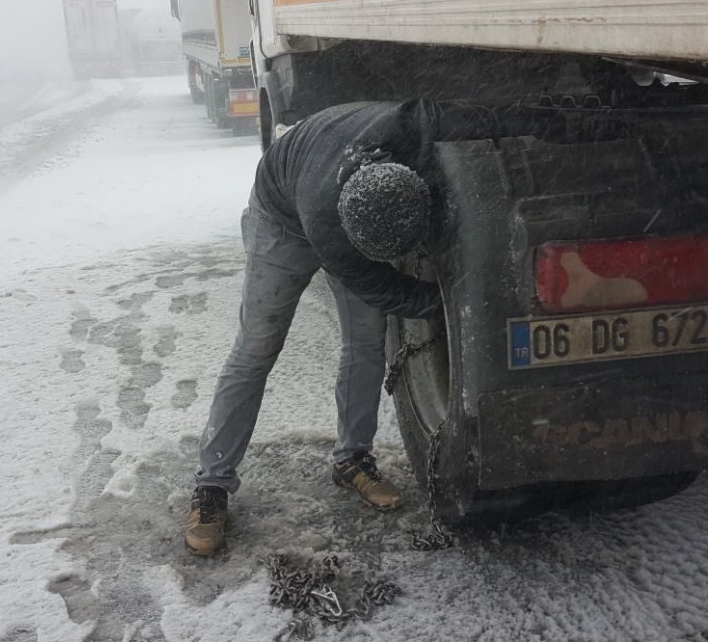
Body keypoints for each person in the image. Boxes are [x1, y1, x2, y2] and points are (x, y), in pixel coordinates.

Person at [186, 99, 490, 556]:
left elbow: (486, 119)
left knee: (368, 343)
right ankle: (212, 487)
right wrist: (448, 309)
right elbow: (385, 291)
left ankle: (352, 460)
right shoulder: (325, 221)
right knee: (257, 349)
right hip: (282, 220)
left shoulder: (414, 132)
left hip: (340, 178)